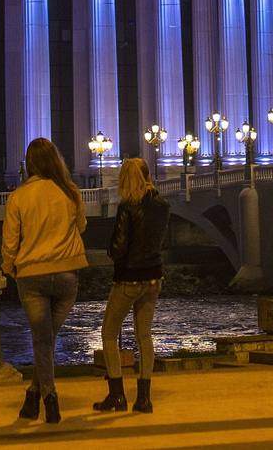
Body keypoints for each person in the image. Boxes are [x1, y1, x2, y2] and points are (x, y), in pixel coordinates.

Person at [1, 137, 87, 425]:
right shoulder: (71, 192)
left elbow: (10, 242)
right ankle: (32, 396)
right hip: (66, 275)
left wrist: (9, 267)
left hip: (32, 275)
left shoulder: (19, 197)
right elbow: (82, 227)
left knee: (42, 339)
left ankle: (48, 397)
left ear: (29, 164)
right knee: (46, 341)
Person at [95, 157, 170, 414]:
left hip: (128, 278)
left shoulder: (128, 207)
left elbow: (118, 247)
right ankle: (144, 398)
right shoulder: (162, 205)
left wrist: (110, 250)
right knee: (144, 336)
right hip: (153, 279)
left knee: (108, 332)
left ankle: (117, 396)